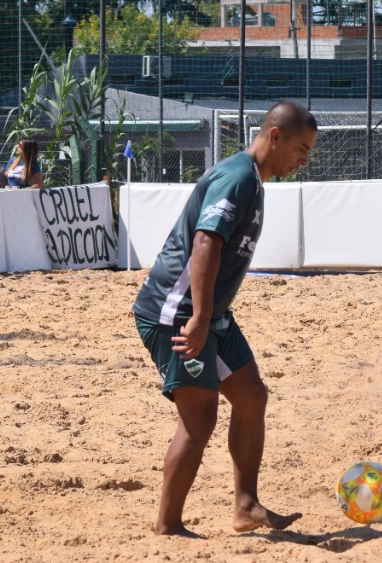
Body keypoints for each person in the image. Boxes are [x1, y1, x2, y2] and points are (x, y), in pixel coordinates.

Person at [132, 101, 316, 537]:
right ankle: (168, 526)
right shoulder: (237, 177)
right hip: (177, 312)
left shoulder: (252, 179)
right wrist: (197, 317)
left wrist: (209, 314)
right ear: (275, 137)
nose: (304, 160)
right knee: (199, 421)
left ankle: (246, 506)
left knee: (251, 397)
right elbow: (205, 245)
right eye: (301, 149)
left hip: (211, 314)